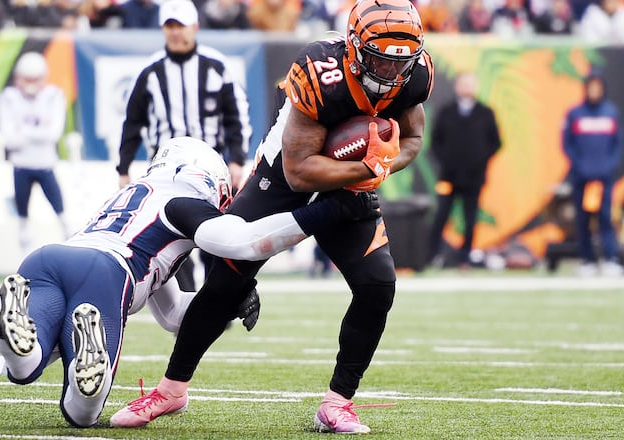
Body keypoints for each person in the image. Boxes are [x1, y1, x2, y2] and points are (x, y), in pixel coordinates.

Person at [109, 0, 433, 434]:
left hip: (352, 182)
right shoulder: (322, 71)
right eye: (380, 60)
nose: (391, 73)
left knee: (378, 284)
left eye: (400, 64)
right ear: (355, 48)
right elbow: (300, 173)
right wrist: (368, 166)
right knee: (226, 280)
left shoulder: (413, 75)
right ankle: (171, 391)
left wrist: (384, 163)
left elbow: (412, 136)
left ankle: (337, 403)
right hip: (282, 177)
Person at [0, 136, 379, 428]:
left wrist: (225, 304)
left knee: (23, 368)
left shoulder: (130, 195)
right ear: (207, 177)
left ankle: (11, 336)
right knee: (82, 413)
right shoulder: (184, 204)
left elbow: (175, 314)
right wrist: (324, 213)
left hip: (47, 260)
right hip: (106, 275)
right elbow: (246, 242)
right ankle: (72, 348)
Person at [116, 0, 251, 291]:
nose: (176, 33)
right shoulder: (151, 71)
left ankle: (216, 300)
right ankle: (189, 305)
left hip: (210, 168)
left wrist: (238, 159)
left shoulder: (216, 67)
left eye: (181, 26)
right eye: (170, 26)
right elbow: (132, 122)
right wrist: (123, 168)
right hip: (167, 169)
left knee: (216, 237)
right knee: (172, 240)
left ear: (195, 27)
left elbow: (236, 116)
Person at [0, 51, 70, 253]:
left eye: (34, 79)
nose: (29, 84)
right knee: (22, 218)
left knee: (62, 215)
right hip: (21, 165)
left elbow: (54, 133)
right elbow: (9, 138)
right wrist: (38, 131)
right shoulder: (9, 97)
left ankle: (71, 245)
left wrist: (24, 131)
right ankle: (23, 253)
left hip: (45, 164)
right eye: (25, 79)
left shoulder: (53, 95)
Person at [427, 72, 501, 268]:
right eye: (464, 83)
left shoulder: (486, 113)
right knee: (441, 214)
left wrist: (479, 160)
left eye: (471, 84)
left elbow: (496, 143)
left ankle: (464, 257)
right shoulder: (446, 111)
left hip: (474, 178)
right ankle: (432, 255)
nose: (467, 88)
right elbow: (435, 141)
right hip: (448, 177)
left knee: (470, 218)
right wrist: (447, 160)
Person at [562, 71, 624, 277]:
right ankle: (587, 260)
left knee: (606, 218)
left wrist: (608, 166)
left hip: (604, 177)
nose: (594, 91)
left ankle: (610, 258)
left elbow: (617, 144)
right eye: (591, 87)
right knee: (582, 220)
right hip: (581, 176)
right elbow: (567, 144)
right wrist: (579, 166)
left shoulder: (611, 112)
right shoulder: (575, 114)